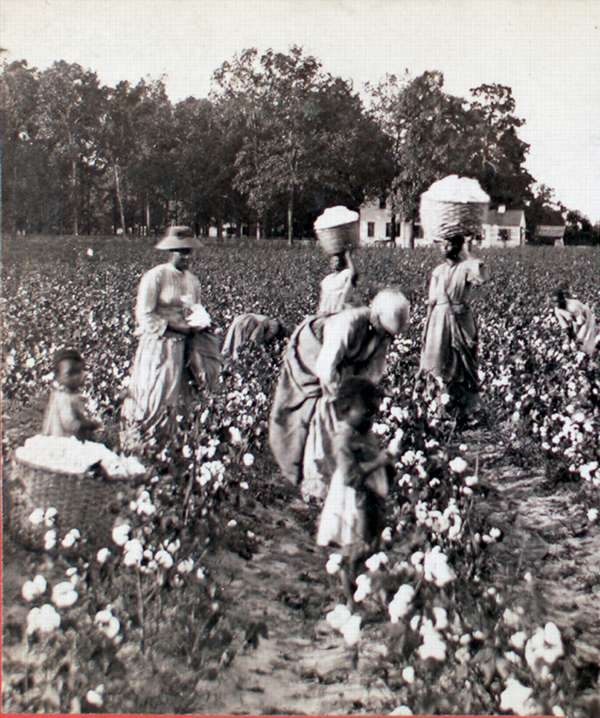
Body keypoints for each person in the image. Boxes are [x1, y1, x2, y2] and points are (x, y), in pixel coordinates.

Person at [269, 289, 410, 501]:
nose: (384, 338)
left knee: (345, 418)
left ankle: (337, 472)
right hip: (311, 353)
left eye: (388, 335)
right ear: (376, 315)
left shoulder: (383, 334)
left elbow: (372, 374)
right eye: (383, 331)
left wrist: (362, 401)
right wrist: (341, 399)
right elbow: (325, 368)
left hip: (342, 363)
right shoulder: (347, 324)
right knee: (322, 412)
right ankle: (315, 483)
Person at [120, 226, 222, 449]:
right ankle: (139, 441)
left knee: (178, 392)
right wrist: (174, 327)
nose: (186, 257)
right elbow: (144, 314)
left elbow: (195, 310)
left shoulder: (193, 281)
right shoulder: (155, 276)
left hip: (182, 346)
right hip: (158, 344)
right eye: (181, 252)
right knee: (153, 389)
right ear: (171, 251)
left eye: (189, 252)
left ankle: (168, 443)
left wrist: (200, 323)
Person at [317, 376, 392, 606]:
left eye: (373, 413)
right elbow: (351, 476)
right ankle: (351, 599)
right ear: (346, 409)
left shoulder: (360, 431)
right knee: (355, 544)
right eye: (366, 413)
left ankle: (360, 592)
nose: (371, 418)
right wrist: (380, 461)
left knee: (365, 541)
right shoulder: (343, 439)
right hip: (352, 498)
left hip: (365, 494)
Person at [417, 233, 489, 424]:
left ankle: (466, 410)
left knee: (464, 362)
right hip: (438, 321)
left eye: (449, 244)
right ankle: (439, 409)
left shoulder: (465, 267)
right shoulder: (438, 271)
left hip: (460, 318)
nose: (444, 248)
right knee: (437, 361)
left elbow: (480, 278)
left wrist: (468, 250)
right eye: (442, 244)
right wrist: (426, 327)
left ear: (457, 246)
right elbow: (431, 302)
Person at [42, 348, 102, 440]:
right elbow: (68, 423)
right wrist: (89, 425)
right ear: (58, 377)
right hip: (61, 441)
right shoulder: (62, 397)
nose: (76, 377)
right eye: (70, 373)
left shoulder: (73, 396)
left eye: (79, 372)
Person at [552, 287, 598, 356]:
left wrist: (577, 337)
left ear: (562, 299)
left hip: (587, 319)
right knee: (581, 344)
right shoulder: (557, 309)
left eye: (557, 302)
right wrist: (569, 337)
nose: (556, 304)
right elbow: (565, 327)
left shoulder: (573, 305)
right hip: (577, 323)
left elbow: (582, 322)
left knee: (588, 341)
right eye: (554, 302)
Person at [222, 313, 288, 360]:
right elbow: (259, 337)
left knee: (231, 344)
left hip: (240, 319)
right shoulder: (275, 326)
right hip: (247, 322)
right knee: (240, 349)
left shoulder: (269, 320)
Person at [317, 250, 358, 315]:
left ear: (342, 262)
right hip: (324, 312)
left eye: (336, 261)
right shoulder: (327, 279)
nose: (332, 263)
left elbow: (354, 275)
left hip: (340, 312)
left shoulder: (346, 273)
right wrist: (319, 311)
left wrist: (348, 257)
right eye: (332, 261)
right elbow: (322, 296)